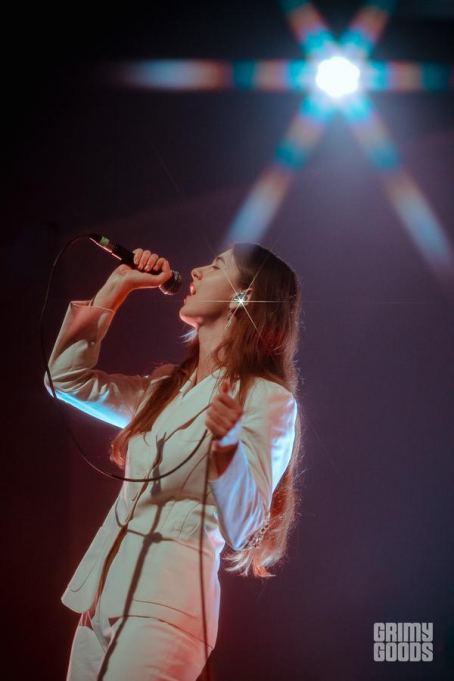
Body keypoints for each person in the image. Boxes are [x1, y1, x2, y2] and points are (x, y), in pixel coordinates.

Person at [44, 241, 303, 681]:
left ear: (245, 297)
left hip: (166, 605)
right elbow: (63, 379)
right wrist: (117, 287)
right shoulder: (164, 387)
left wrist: (227, 450)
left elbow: (245, 526)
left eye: (217, 265)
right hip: (101, 597)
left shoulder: (266, 397)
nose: (197, 270)